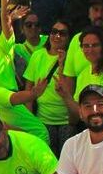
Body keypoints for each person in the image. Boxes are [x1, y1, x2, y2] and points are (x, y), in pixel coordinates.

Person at [23, 19, 74, 155]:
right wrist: (30, 119)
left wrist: (62, 64)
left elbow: (69, 90)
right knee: (47, 159)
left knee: (65, 161)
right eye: (54, 32)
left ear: (69, 38)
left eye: (62, 33)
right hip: (43, 120)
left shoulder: (72, 57)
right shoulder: (37, 55)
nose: (57, 36)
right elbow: (28, 88)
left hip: (66, 120)